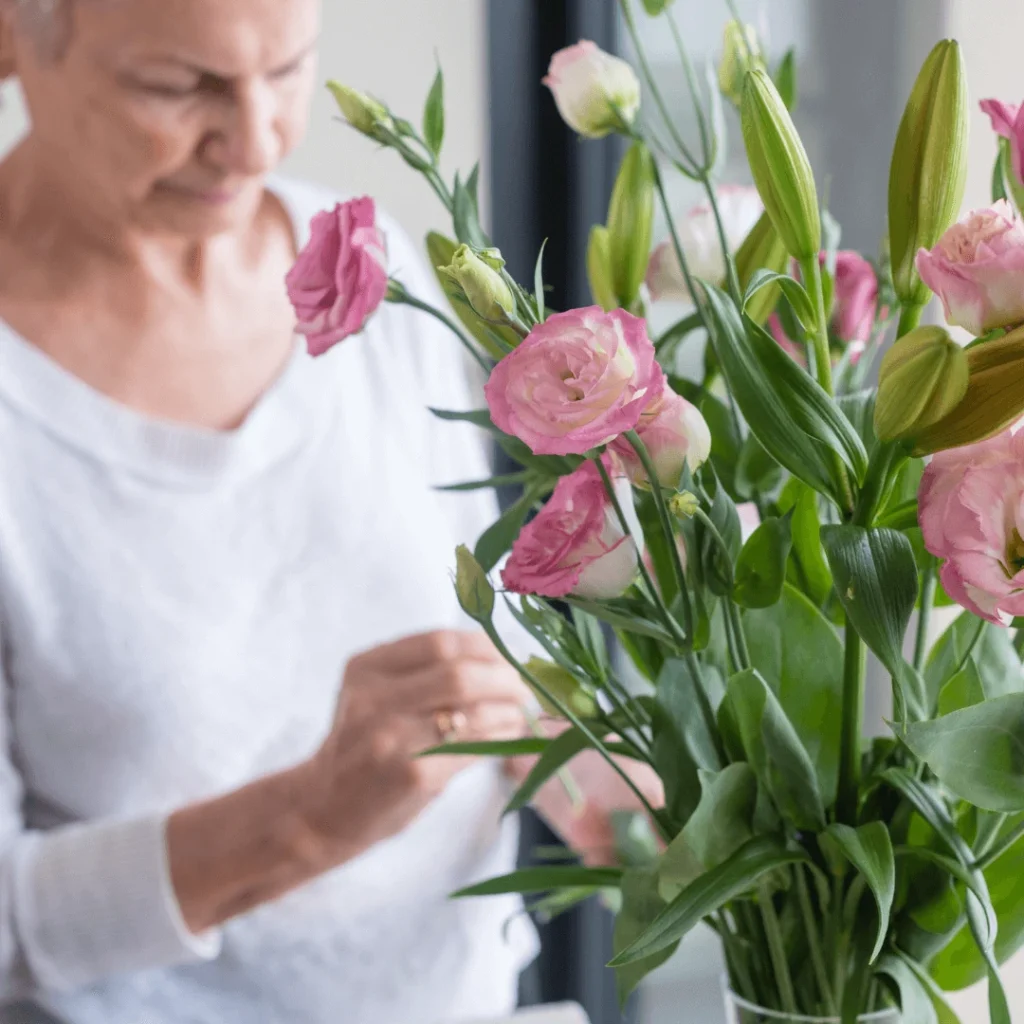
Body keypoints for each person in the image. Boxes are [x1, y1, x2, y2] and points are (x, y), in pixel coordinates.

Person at [0, 1, 659, 1022]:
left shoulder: (366, 272)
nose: (258, 138)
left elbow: (488, 648)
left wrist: (617, 786)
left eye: (290, 69)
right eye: (178, 86)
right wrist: (310, 814)